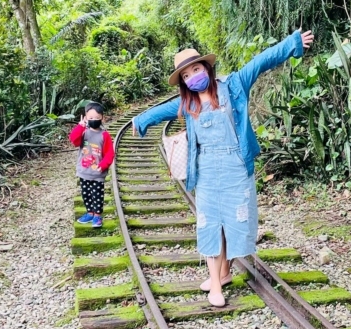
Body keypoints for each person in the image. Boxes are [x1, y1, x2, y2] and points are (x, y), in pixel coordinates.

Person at [132, 30, 315, 306]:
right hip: (206, 170)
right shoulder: (187, 103)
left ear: (206, 66)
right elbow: (160, 112)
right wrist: (140, 121)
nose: (193, 76)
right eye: (186, 75)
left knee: (231, 221)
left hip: (235, 166)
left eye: (195, 69)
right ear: (183, 82)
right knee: (210, 224)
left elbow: (261, 62)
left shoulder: (233, 85)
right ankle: (215, 285)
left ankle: (225, 272)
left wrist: (293, 44)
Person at [70, 102, 115, 228]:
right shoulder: (83, 132)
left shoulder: (104, 135)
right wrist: (80, 126)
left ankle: (97, 216)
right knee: (86, 194)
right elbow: (73, 140)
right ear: (85, 118)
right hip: (84, 171)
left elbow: (110, 153)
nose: (93, 120)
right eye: (90, 118)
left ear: (102, 118)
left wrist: (104, 164)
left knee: (97, 194)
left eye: (96, 118)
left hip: (98, 172)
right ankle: (89, 213)